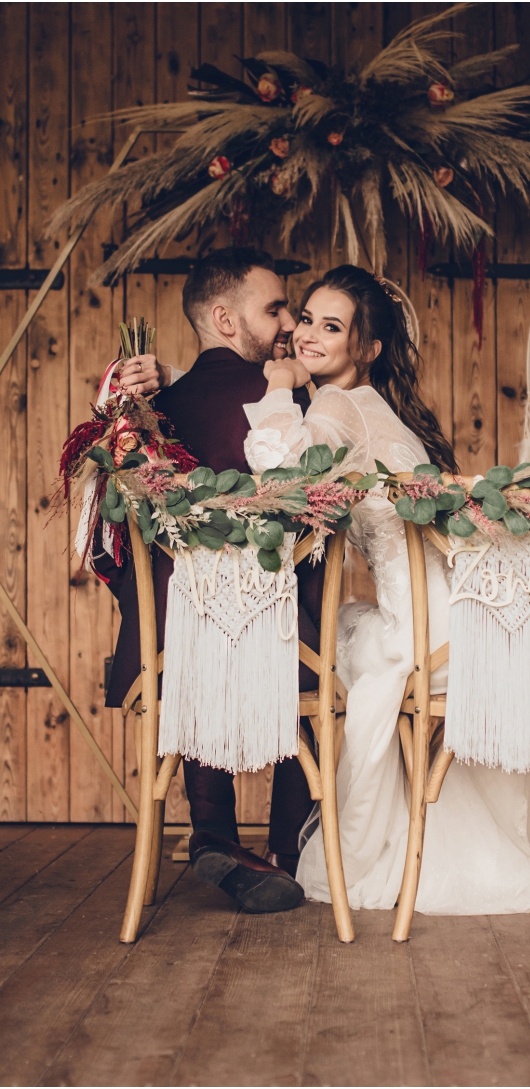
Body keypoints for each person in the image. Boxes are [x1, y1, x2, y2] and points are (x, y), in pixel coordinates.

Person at [242, 265, 530, 915]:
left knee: (331, 634)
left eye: (330, 326)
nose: (308, 335)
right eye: (305, 318)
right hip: (467, 623)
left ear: (366, 349)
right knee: (349, 629)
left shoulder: (338, 405)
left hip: (422, 630)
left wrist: (278, 385)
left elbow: (281, 470)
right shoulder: (383, 411)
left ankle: (357, 841)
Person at [94, 247, 322, 912]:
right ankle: (289, 843)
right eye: (274, 307)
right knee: (314, 625)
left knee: (212, 635)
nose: (288, 322)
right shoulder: (281, 402)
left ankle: (214, 832)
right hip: (281, 649)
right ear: (224, 318)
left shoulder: (149, 418)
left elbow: (117, 550)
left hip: (165, 650)